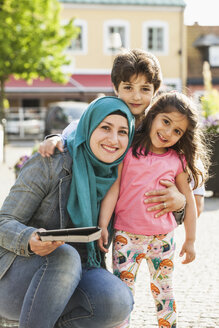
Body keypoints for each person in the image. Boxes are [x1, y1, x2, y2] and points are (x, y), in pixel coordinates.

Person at [0, 96, 135, 328]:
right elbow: (4, 220)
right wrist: (29, 239)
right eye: (105, 127)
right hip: (19, 279)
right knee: (65, 254)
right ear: (89, 126)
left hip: (83, 273)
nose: (114, 139)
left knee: (118, 301)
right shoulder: (50, 163)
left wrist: (181, 202)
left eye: (123, 132)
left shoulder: (119, 177)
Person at [98, 92, 210, 328]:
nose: (168, 132)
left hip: (163, 240)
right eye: (166, 122)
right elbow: (114, 190)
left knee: (164, 294)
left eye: (177, 131)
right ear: (152, 116)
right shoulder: (127, 152)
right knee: (123, 295)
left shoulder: (177, 160)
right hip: (125, 237)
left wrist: (190, 240)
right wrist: (102, 225)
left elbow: (187, 201)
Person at [38, 48, 187, 218]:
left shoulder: (161, 132)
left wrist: (181, 203)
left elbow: (191, 197)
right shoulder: (104, 116)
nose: (136, 96)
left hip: (146, 224)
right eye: (128, 87)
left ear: (155, 91)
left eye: (145, 89)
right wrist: (56, 138)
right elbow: (78, 129)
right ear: (116, 88)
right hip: (104, 215)